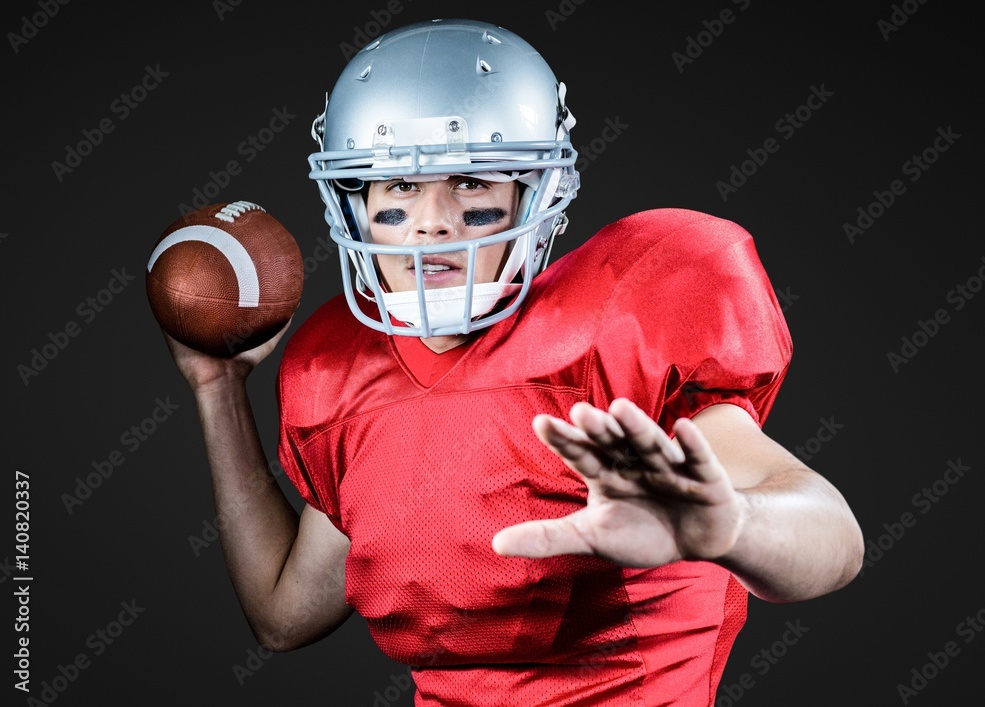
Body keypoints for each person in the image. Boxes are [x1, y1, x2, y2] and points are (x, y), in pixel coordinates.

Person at [162, 17, 865, 706]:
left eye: (471, 182)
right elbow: (285, 615)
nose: (433, 216)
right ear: (355, 204)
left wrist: (733, 525)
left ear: (535, 193)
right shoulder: (338, 372)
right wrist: (217, 386)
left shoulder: (615, 325)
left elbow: (833, 533)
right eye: (399, 187)